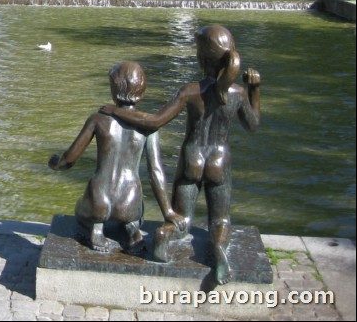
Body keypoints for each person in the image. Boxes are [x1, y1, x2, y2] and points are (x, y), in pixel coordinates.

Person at [100, 25, 260, 284]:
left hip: (192, 159)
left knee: (181, 219)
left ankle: (165, 235)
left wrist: (115, 110)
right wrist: (254, 90)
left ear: (201, 59)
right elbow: (253, 124)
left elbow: (154, 121)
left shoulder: (190, 91)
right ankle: (218, 250)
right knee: (220, 219)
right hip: (219, 159)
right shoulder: (238, 94)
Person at [49, 62, 184, 254]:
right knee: (136, 214)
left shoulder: (98, 119)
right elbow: (156, 171)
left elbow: (69, 159)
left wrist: (56, 164)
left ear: (114, 89)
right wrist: (168, 211)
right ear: (142, 89)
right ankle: (132, 229)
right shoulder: (149, 127)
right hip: (129, 201)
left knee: (80, 211)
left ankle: (96, 228)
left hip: (99, 198)